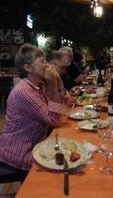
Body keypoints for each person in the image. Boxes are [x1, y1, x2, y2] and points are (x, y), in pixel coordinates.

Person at [0, 44, 65, 183]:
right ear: (28, 68)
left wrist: (56, 81)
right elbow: (54, 120)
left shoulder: (38, 86)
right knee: (61, 170)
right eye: (42, 62)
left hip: (36, 145)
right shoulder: (24, 92)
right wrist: (53, 85)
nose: (47, 65)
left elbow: (62, 105)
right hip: (19, 154)